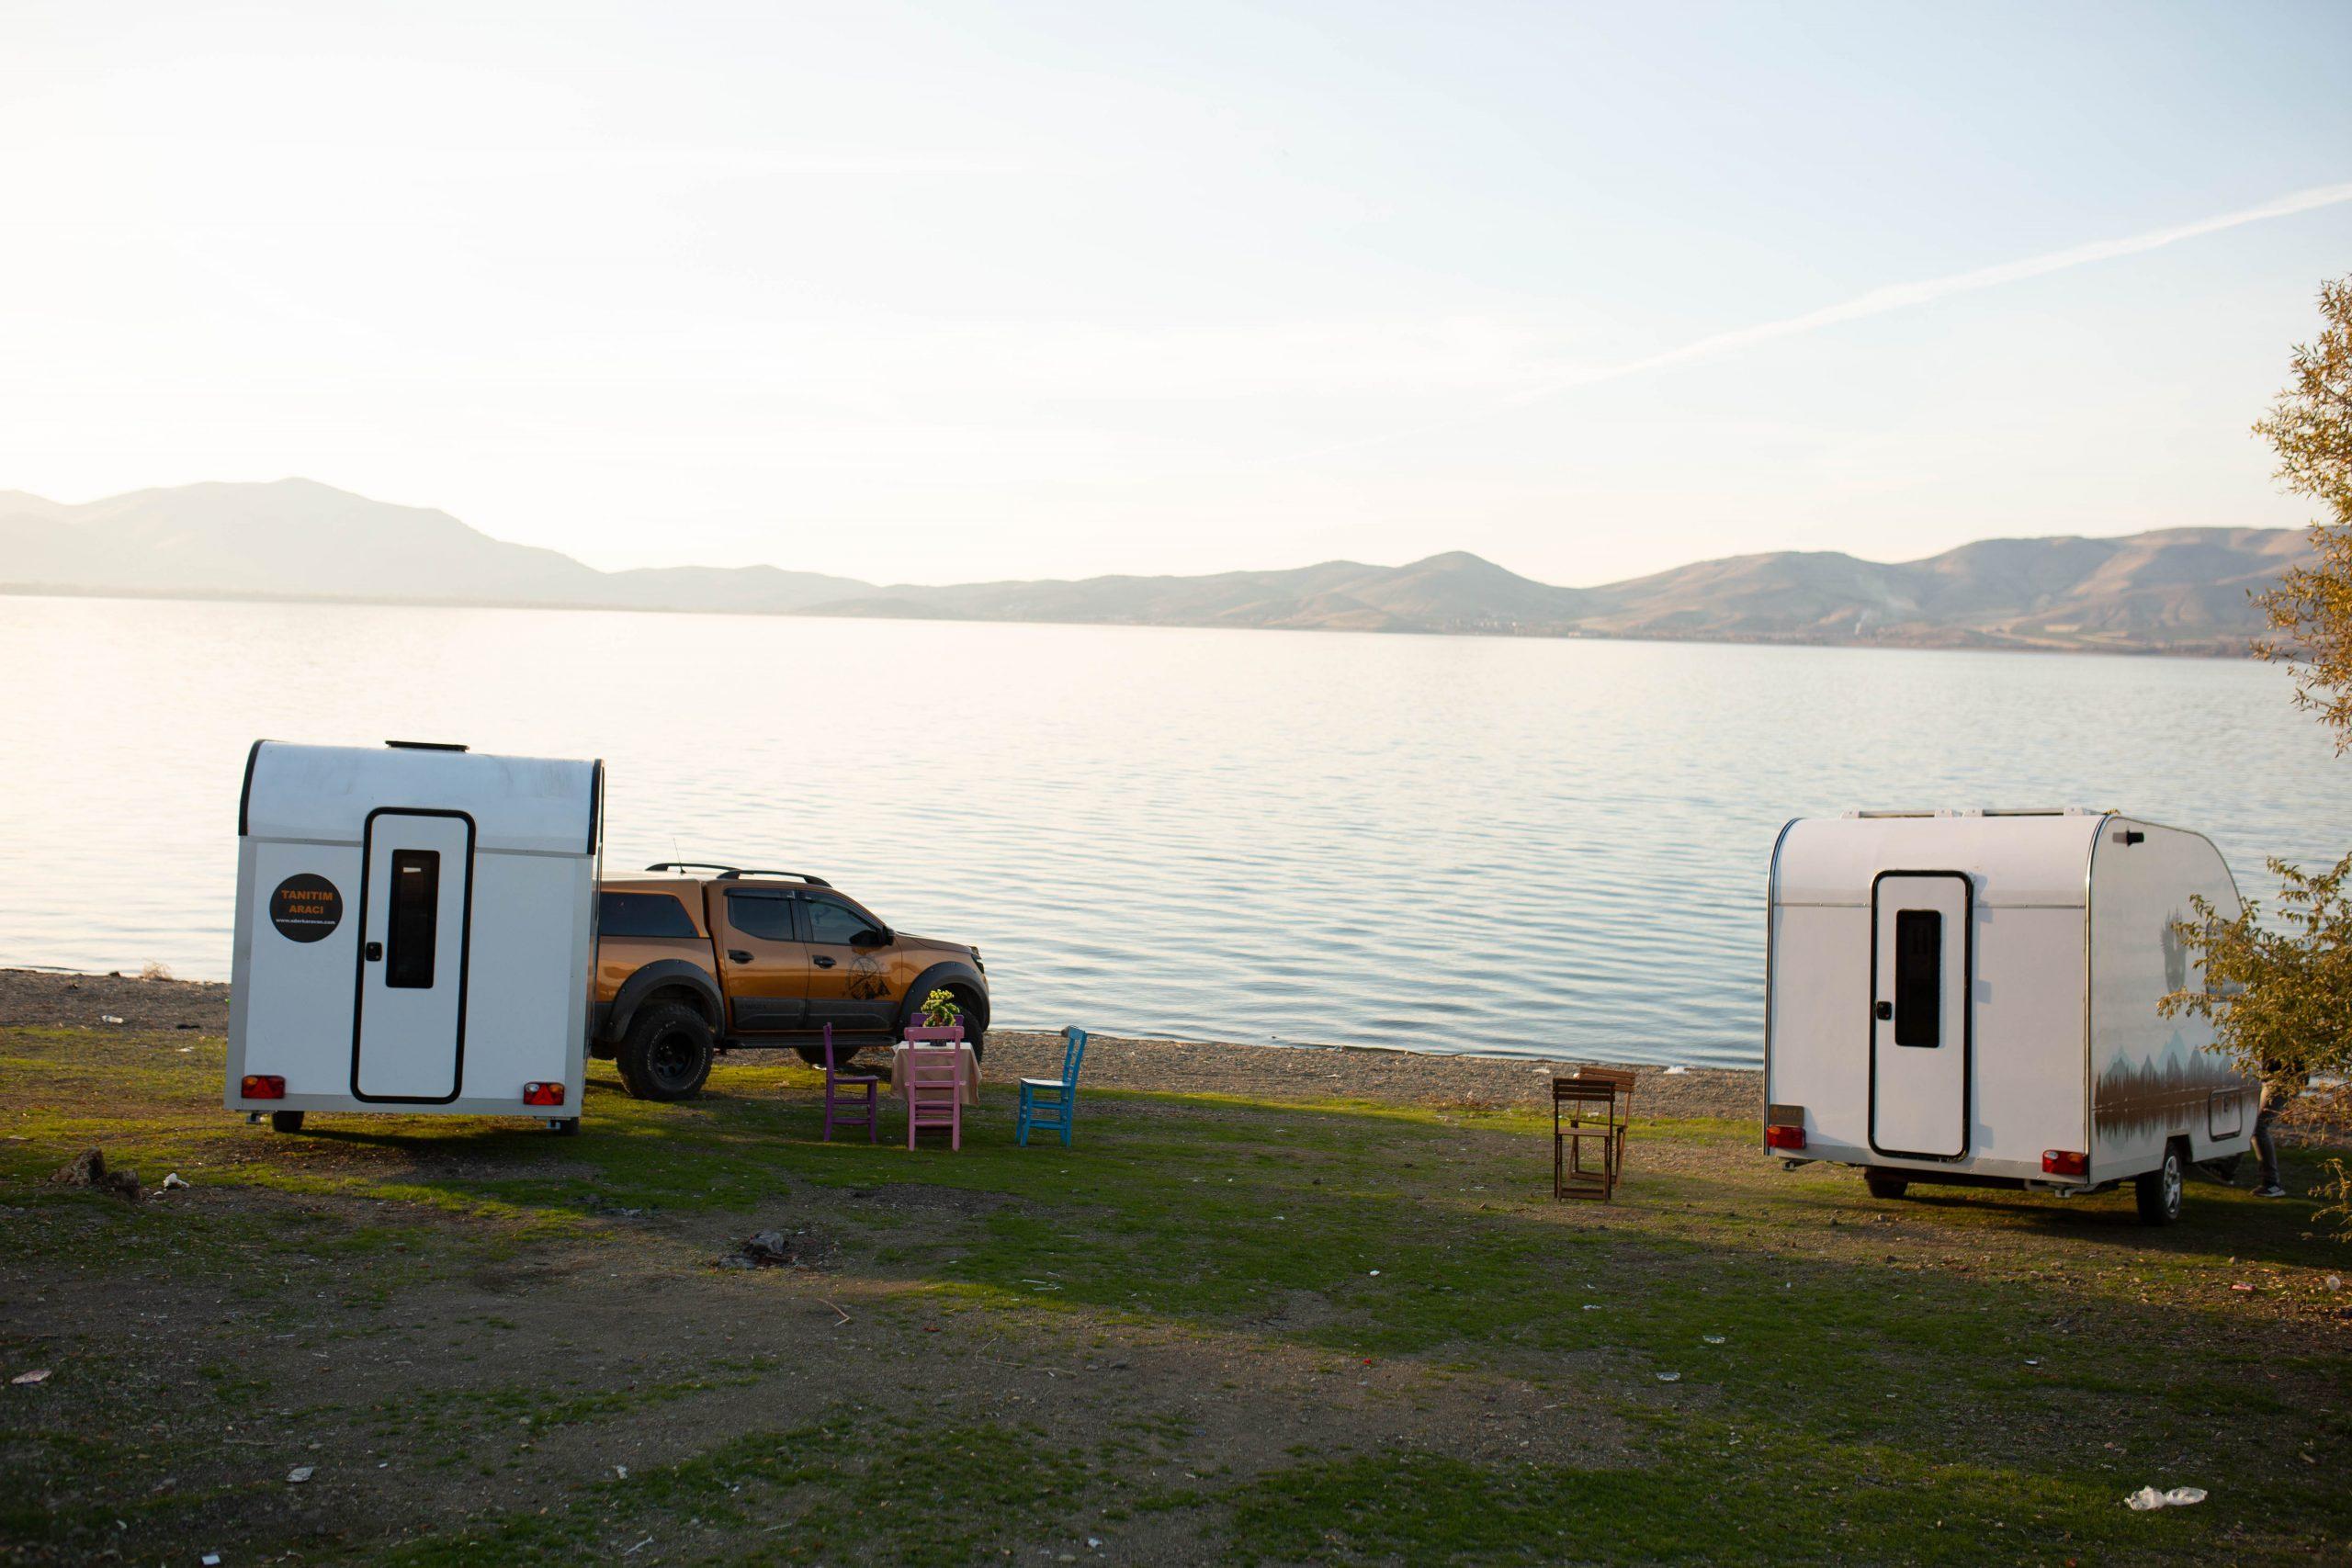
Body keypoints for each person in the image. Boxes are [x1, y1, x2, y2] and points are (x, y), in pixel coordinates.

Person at [2252, 1056, 2310, 1199]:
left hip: (2285, 1080)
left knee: (2257, 1126)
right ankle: (2228, 1169)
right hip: (2276, 1079)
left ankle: (2272, 1184)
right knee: (2253, 1123)